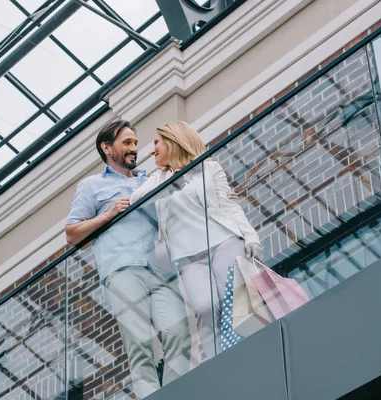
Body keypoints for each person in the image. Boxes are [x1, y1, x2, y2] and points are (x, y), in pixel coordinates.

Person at [65, 120, 191, 399]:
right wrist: (107, 215)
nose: (134, 148)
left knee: (179, 333)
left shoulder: (153, 178)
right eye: (127, 143)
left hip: (160, 266)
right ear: (107, 148)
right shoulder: (92, 186)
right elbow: (72, 234)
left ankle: (176, 393)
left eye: (135, 142)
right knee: (139, 343)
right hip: (122, 269)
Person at [130, 121, 261, 360]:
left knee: (235, 298)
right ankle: (218, 364)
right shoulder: (158, 177)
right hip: (187, 257)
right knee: (204, 307)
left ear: (173, 140)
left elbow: (229, 204)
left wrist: (251, 236)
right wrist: (171, 182)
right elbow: (136, 199)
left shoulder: (209, 169)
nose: (152, 150)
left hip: (224, 241)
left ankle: (252, 350)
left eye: (157, 142)